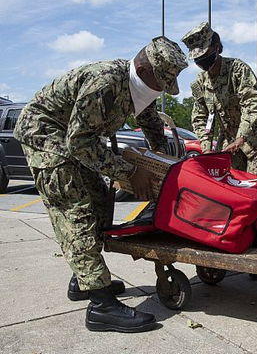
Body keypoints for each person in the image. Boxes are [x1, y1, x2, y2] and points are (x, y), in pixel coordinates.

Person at [14, 36, 188, 332]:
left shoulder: (140, 87)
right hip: (46, 137)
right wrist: (130, 172)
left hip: (70, 141)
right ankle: (101, 306)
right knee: (77, 212)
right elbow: (79, 141)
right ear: (145, 71)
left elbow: (150, 122)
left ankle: (82, 280)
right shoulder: (105, 83)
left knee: (99, 201)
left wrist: (160, 161)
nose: (161, 91)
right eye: (162, 83)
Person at [181, 22, 257, 180]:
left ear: (216, 47)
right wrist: (206, 148)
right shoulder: (199, 83)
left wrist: (240, 138)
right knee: (232, 190)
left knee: (256, 192)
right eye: (197, 58)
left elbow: (254, 104)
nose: (201, 60)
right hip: (232, 146)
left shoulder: (237, 69)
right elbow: (200, 117)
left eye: (204, 54)